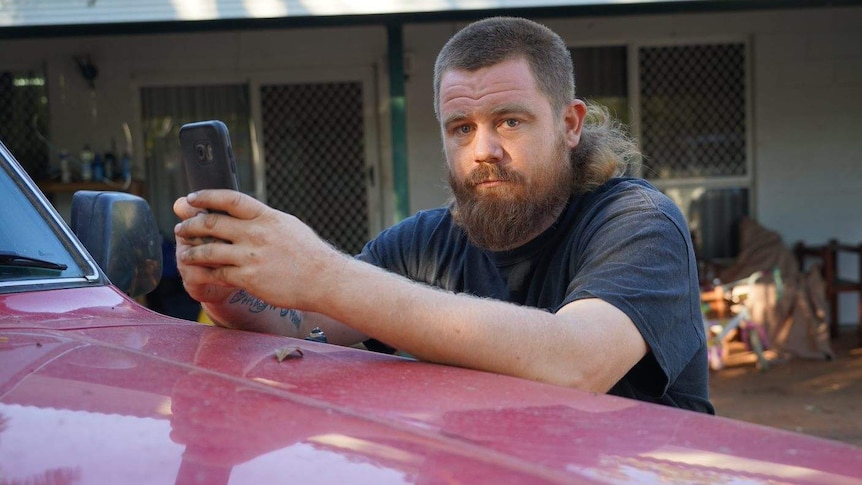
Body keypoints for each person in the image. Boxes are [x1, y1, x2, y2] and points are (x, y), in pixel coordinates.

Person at [173, 16, 714, 414]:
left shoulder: (637, 222)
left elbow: (577, 363)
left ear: (570, 125)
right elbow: (301, 325)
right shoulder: (425, 242)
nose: (484, 150)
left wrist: (320, 272)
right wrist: (228, 291)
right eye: (462, 128)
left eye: (509, 122)